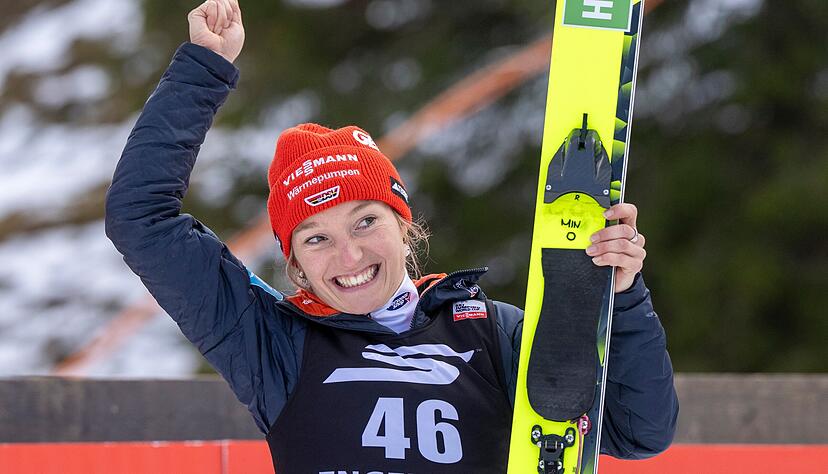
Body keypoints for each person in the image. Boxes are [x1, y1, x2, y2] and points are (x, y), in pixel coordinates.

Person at [105, 0, 678, 472]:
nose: (349, 255)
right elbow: (141, 219)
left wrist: (621, 295)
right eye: (316, 239)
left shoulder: (492, 333)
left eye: (364, 221)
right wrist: (203, 67)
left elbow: (638, 433)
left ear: (404, 225)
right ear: (296, 265)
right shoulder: (271, 344)